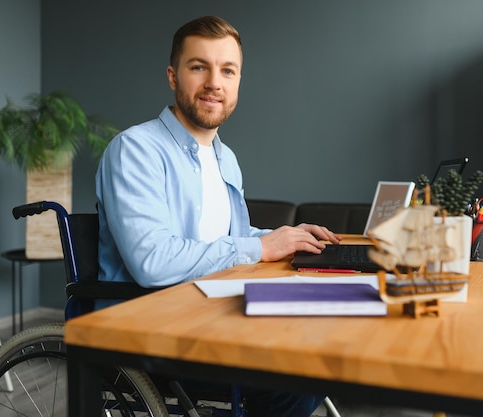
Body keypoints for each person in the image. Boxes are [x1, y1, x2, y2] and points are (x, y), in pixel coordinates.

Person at [96, 15, 340, 417]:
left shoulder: (225, 157)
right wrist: (259, 247)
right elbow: (152, 263)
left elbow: (228, 237)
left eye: (227, 70)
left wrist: (285, 237)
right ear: (173, 76)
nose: (215, 82)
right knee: (293, 381)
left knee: (325, 338)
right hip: (152, 330)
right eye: (199, 67)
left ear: (238, 81)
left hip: (214, 312)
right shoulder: (135, 150)